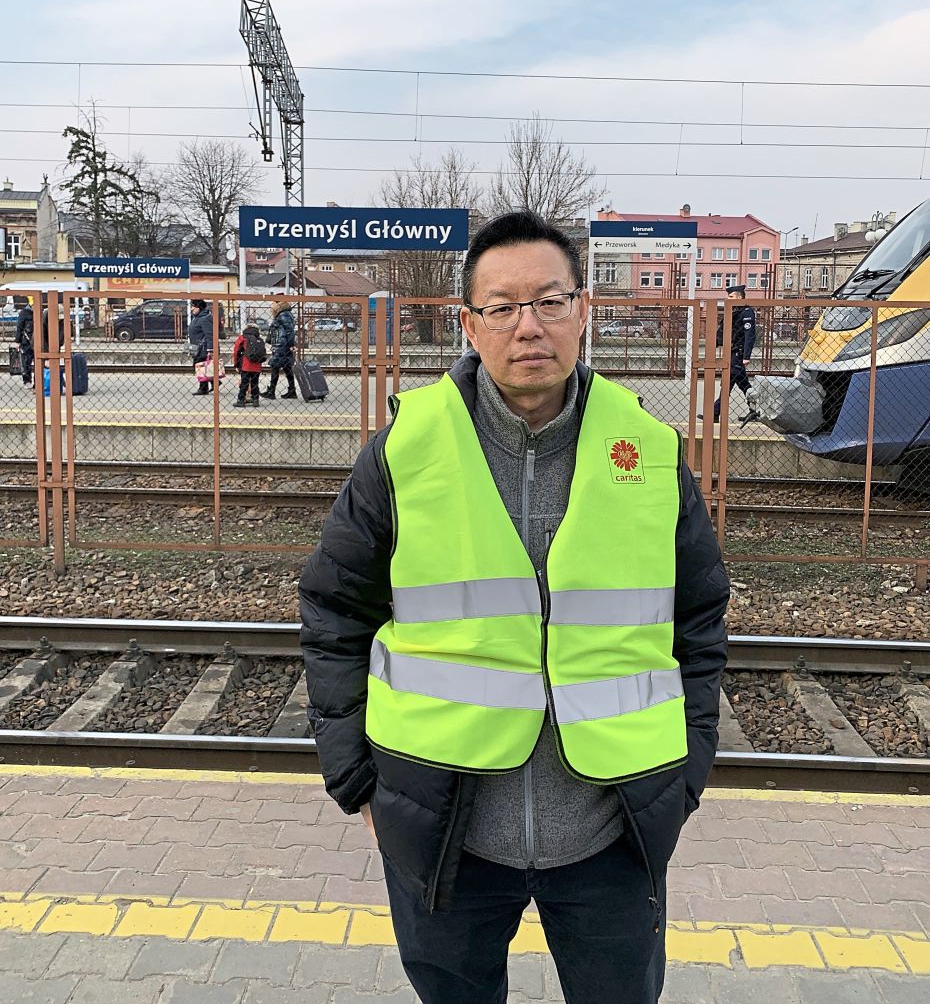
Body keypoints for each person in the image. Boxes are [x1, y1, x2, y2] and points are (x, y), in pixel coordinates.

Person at [300, 210, 730, 1004]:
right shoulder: (408, 448)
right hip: (446, 830)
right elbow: (333, 610)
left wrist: (687, 774)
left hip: (613, 832)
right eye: (501, 307)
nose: (527, 326)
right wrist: (357, 781)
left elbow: (699, 623)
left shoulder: (649, 452)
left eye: (549, 302)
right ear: (471, 323)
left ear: (583, 311)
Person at [713, 283, 757, 422]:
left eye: (731, 296)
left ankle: (715, 413)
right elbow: (722, 332)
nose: (728, 298)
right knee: (739, 383)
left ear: (738, 297)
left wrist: (746, 356)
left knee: (732, 382)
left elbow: (750, 335)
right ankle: (755, 410)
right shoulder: (732, 311)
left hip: (738, 354)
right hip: (731, 353)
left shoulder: (746, 312)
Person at [262, 298, 297, 398]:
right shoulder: (283, 314)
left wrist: (291, 344)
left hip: (281, 346)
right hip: (282, 345)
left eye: (273, 302)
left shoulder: (283, 315)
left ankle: (271, 391)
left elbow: (290, 331)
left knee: (275, 367)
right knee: (287, 368)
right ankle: (292, 390)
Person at [232, 322, 266, 407]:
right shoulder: (259, 338)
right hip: (257, 365)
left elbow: (236, 351)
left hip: (246, 365)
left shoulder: (243, 337)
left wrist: (236, 364)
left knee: (244, 383)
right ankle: (255, 400)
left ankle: (241, 400)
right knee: (255, 383)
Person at [188, 298, 216, 396]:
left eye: (193, 307)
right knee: (202, 367)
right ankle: (214, 382)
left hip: (203, 348)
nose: (191, 309)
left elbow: (209, 334)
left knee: (200, 367)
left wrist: (210, 349)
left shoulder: (205, 318)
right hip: (197, 347)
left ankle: (203, 388)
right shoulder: (197, 317)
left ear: (199, 308)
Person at [14, 302, 34, 388]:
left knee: (30, 361)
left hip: (34, 340)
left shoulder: (40, 311)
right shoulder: (24, 313)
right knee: (26, 361)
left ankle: (35, 381)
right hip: (26, 341)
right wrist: (18, 341)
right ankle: (27, 380)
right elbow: (20, 327)